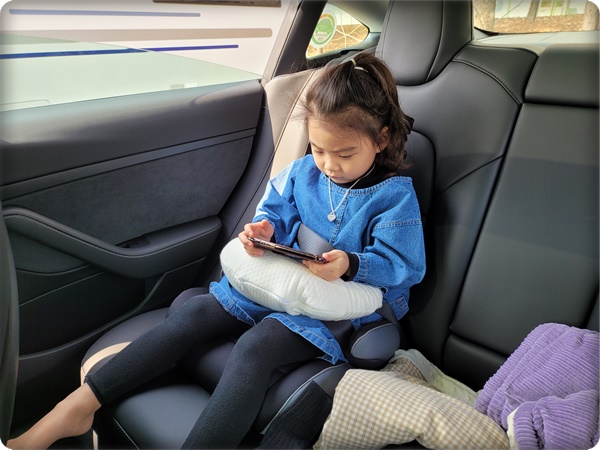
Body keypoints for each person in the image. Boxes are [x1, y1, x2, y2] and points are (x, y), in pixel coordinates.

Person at [7, 52, 426, 450]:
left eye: (344, 154)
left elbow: (404, 265)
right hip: (285, 283)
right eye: (318, 150)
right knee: (194, 312)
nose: (329, 164)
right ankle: (76, 407)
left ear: (381, 139)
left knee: (258, 345)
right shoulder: (303, 173)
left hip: (338, 309)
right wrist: (263, 231)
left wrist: (352, 263)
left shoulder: (393, 199)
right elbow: (275, 212)